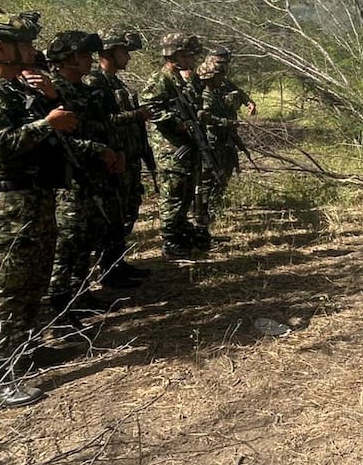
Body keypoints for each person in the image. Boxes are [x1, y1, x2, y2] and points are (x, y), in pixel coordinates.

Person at [0, 9, 115, 410]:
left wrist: (48, 101)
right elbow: (0, 147)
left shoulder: (12, 88)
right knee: (4, 290)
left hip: (35, 197)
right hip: (8, 202)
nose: (31, 50)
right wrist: (48, 122)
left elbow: (62, 133)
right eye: (24, 44)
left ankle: (20, 353)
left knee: (30, 285)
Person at [45, 30, 134, 315]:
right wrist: (98, 150)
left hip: (97, 177)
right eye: (82, 56)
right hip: (71, 180)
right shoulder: (53, 92)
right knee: (68, 242)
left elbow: (106, 125)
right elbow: (58, 138)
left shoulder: (86, 90)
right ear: (65, 60)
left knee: (87, 237)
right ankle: (60, 304)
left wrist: (117, 151)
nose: (89, 61)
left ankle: (80, 293)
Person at [86, 27, 153, 279]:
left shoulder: (115, 82)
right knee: (111, 218)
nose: (128, 57)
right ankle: (108, 268)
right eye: (124, 51)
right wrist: (137, 114)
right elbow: (101, 120)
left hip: (130, 156)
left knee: (128, 211)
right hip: (112, 161)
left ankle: (117, 263)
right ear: (109, 52)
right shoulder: (95, 81)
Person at [142, 32, 207, 260]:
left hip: (183, 148)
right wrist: (177, 124)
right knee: (173, 195)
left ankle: (180, 233)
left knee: (185, 193)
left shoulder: (178, 79)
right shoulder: (161, 79)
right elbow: (149, 107)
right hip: (170, 150)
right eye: (188, 55)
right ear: (176, 55)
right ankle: (170, 239)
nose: (192, 60)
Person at [195, 48, 255, 235]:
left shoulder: (222, 84)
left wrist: (249, 102)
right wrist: (224, 122)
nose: (224, 70)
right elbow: (202, 116)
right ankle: (204, 213)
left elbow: (237, 90)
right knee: (209, 177)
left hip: (226, 138)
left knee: (224, 173)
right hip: (211, 140)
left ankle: (215, 208)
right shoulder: (203, 89)